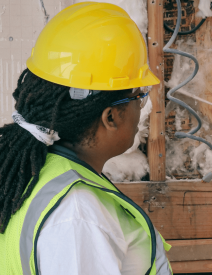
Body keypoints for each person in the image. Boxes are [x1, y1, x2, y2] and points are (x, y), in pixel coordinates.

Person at [0, 2, 171, 274]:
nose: (143, 106)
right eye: (139, 96)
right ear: (110, 117)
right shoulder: (78, 215)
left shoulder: (42, 174)